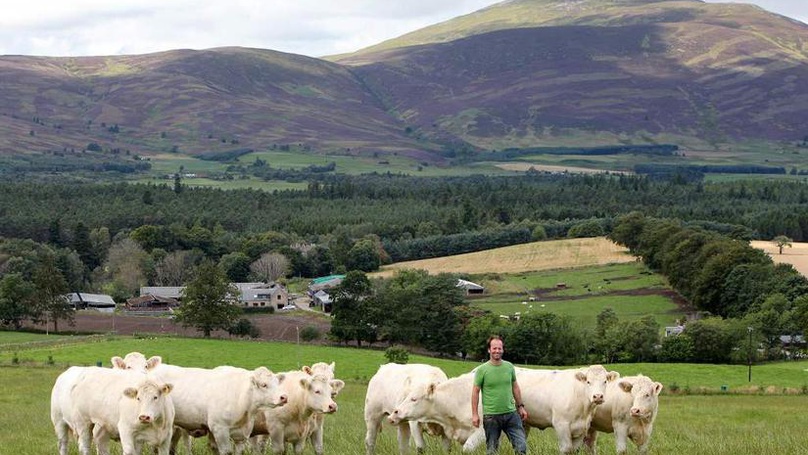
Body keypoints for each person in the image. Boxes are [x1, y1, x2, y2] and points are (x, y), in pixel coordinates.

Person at [471, 335, 529, 455]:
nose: (497, 351)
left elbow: (515, 387)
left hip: (511, 414)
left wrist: (521, 406)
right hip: (492, 417)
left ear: (503, 350)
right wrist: (475, 414)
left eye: (499, 348)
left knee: (521, 446)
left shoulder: (509, 367)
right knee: (492, 450)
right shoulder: (482, 370)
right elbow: (475, 392)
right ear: (489, 350)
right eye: (494, 348)